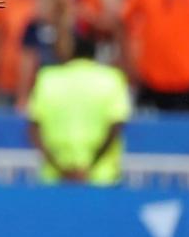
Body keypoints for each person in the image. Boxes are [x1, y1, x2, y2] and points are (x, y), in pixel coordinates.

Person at [28, 34, 131, 185]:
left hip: (55, 180)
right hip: (101, 178)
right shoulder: (112, 79)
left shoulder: (47, 79)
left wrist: (61, 169)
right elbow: (115, 127)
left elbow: (34, 129)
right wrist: (89, 167)